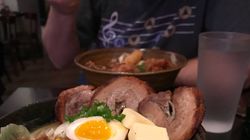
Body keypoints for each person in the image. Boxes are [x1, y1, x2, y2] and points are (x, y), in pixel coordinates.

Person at [42, 0, 250, 87]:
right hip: (96, 95)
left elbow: (240, 66)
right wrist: (62, 11)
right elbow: (60, 58)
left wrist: (144, 73)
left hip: (178, 98)